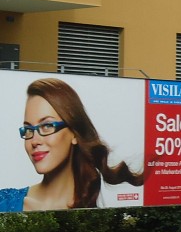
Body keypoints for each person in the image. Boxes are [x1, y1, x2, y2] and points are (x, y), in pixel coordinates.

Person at [0, 78, 143, 212]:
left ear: (74, 132)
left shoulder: (90, 218)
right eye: (28, 130)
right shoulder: (4, 203)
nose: (34, 141)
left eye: (47, 126)